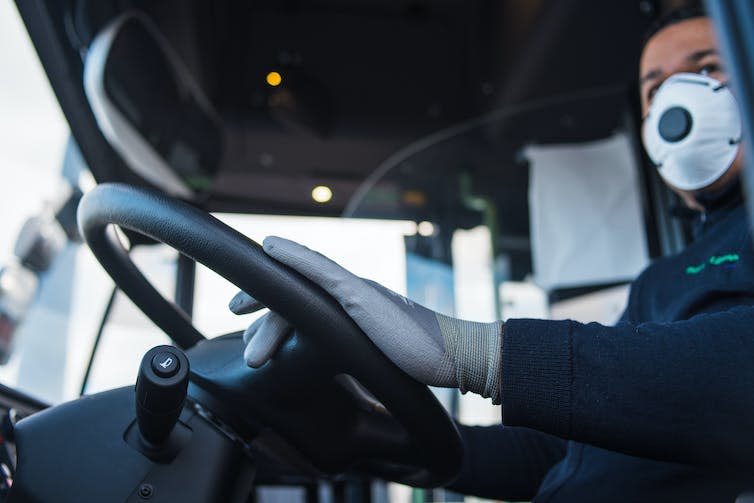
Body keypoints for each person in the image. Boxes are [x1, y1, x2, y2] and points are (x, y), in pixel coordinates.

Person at [232, 6, 754, 501]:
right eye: (654, 90)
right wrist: (369, 434)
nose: (675, 103)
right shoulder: (661, 279)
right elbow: (564, 455)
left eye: (707, 68)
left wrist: (476, 353)